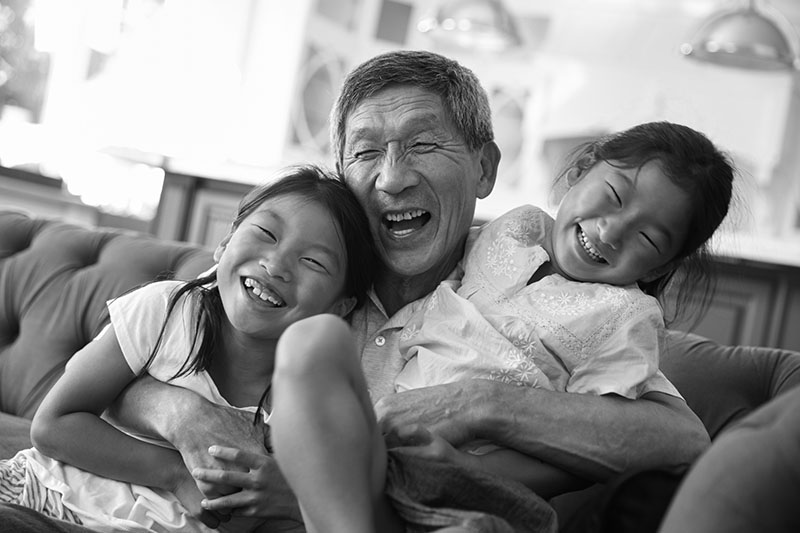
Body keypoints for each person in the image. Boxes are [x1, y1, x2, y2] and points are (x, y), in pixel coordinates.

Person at [0, 50, 713, 531]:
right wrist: (181, 413)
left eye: (424, 144)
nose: (393, 176)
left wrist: (484, 404)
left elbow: (675, 434)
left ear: (485, 169)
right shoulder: (301, 273)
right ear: (340, 170)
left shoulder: (525, 282)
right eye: (366, 151)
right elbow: (161, 340)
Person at [268, 121, 735, 532]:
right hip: (388, 452)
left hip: (477, 492)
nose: (611, 232)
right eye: (613, 197)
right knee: (312, 340)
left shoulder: (626, 318)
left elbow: (585, 457)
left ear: (659, 268)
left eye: (649, 237)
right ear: (579, 171)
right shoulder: (513, 228)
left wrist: (471, 472)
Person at [0, 164, 377, 532]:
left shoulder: (309, 402)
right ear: (226, 242)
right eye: (266, 233)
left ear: (339, 307)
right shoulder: (164, 311)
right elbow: (52, 424)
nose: (276, 265)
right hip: (49, 494)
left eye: (312, 261)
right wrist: (176, 473)